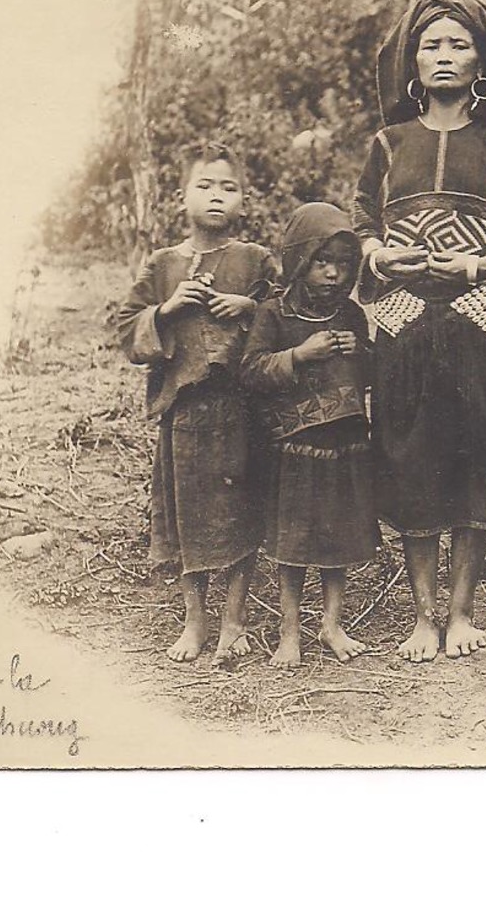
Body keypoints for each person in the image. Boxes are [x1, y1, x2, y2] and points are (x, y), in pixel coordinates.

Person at [354, 0, 486, 663]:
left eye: (458, 45)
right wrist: (381, 254)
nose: (444, 56)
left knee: (480, 460)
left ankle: (462, 610)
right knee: (412, 462)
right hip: (406, 325)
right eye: (431, 45)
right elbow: (358, 223)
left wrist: (478, 262)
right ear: (412, 61)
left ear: (482, 61)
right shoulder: (387, 145)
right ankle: (420, 614)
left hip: (485, 327)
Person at [115, 142, 277, 664]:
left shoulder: (255, 260)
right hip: (183, 414)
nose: (216, 196)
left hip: (242, 409)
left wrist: (249, 304)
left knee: (241, 510)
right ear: (181, 197)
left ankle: (234, 619)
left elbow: (287, 309)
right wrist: (166, 310)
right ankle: (194, 620)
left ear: (244, 201)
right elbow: (125, 328)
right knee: (186, 514)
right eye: (205, 185)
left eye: (228, 188)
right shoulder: (163, 265)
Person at [242, 202, 382, 668]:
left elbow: (369, 374)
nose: (333, 275)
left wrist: (359, 350)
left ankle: (332, 624)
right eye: (323, 262)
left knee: (337, 536)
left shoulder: (352, 315)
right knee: (293, 542)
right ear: (301, 261)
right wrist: (299, 355)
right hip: (294, 449)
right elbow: (252, 372)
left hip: (344, 446)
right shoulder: (273, 314)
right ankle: (289, 631)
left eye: (344, 265)